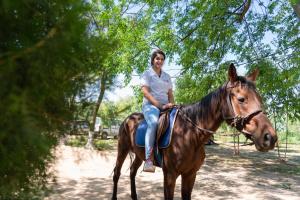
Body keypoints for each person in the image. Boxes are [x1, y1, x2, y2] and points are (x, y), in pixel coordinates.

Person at [140, 49, 174, 172]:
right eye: (157, 58)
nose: (159, 61)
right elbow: (145, 92)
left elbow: (170, 93)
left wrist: (172, 104)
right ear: (153, 60)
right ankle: (149, 159)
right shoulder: (147, 74)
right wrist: (159, 105)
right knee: (154, 123)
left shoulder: (167, 76)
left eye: (162, 59)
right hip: (150, 106)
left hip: (166, 105)